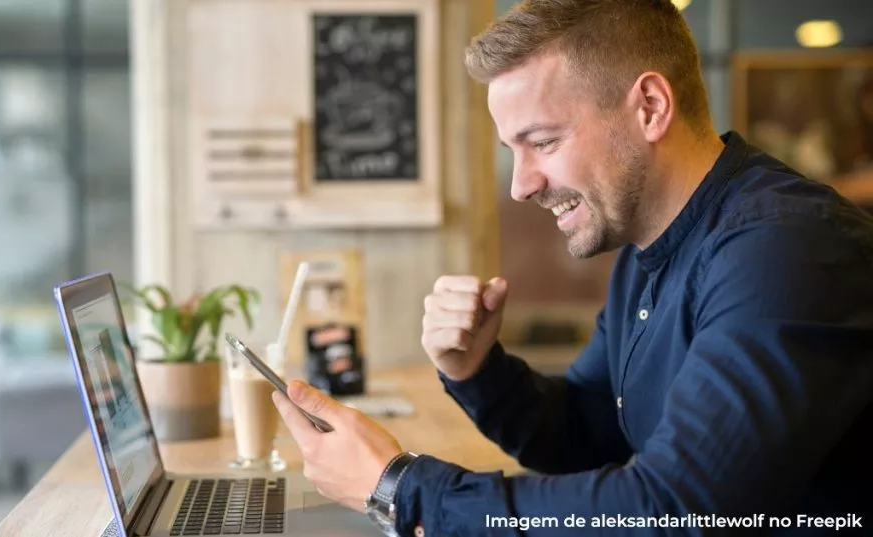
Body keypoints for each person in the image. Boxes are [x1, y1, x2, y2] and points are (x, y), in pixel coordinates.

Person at [270, 1, 873, 535]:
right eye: (513, 151)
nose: (522, 185)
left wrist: (402, 490)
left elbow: (677, 512)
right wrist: (479, 370)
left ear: (651, 106)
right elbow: (588, 433)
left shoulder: (785, 248)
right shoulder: (646, 248)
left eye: (544, 142)